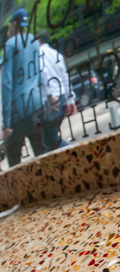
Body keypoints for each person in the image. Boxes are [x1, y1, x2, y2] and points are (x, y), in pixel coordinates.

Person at [1, 8, 46, 168]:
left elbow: (6, 84)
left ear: (14, 24)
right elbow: (39, 73)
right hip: (36, 106)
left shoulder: (10, 45)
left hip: (17, 112)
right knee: (42, 156)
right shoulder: (33, 41)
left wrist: (5, 123)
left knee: (14, 163)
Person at [37, 30, 77, 151]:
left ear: (38, 39)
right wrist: (71, 100)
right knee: (49, 139)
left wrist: (50, 96)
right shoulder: (56, 54)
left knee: (50, 139)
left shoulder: (38, 55)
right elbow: (65, 77)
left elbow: (42, 75)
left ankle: (74, 153)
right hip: (62, 96)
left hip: (51, 100)